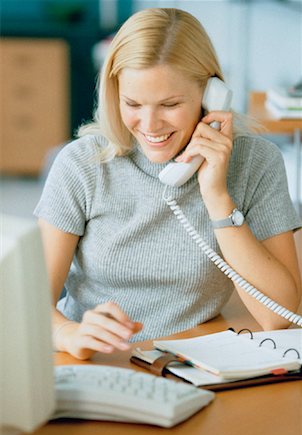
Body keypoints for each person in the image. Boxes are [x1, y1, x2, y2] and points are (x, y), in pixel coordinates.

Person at [34, 8, 302, 360]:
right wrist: (71, 333)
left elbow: (277, 316)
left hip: (193, 362)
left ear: (211, 96)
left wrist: (217, 196)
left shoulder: (256, 163)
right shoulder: (82, 165)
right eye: (132, 103)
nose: (150, 124)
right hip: (94, 360)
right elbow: (27, 306)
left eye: (170, 104)